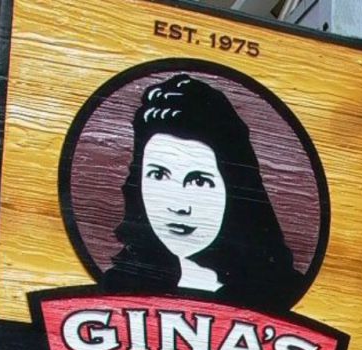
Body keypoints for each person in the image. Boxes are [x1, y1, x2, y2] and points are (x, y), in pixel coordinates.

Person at [101, 73, 306, 312]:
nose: (178, 206)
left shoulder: (279, 293)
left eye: (199, 181)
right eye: (158, 174)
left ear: (234, 187)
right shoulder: (119, 287)